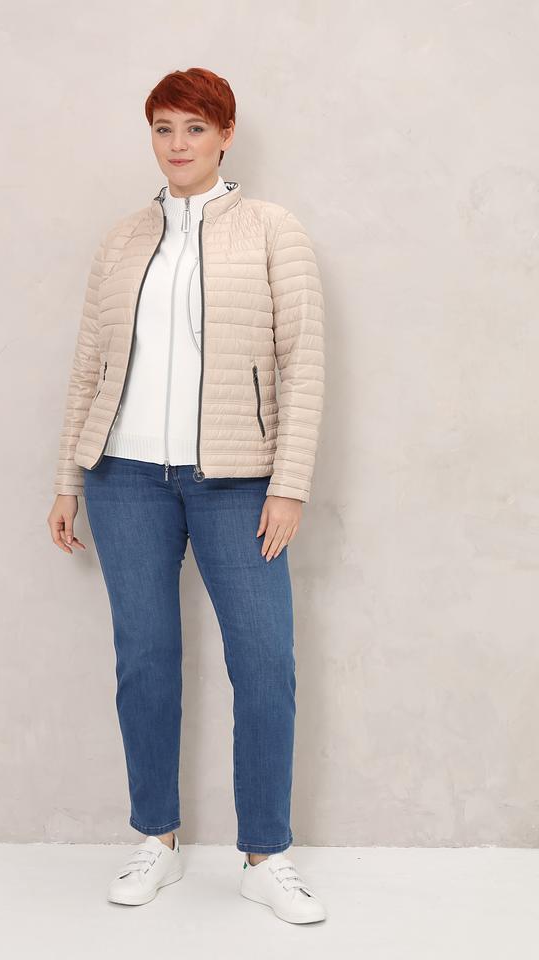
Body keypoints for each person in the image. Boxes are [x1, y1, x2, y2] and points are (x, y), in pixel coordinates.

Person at [47, 67, 326, 925]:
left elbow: (303, 362)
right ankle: (156, 840)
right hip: (124, 478)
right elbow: (89, 366)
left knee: (265, 663)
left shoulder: (273, 231)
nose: (178, 144)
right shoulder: (123, 239)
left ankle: (265, 856)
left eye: (196, 128)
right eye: (164, 128)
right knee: (145, 661)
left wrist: (289, 485)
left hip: (238, 482)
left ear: (226, 135)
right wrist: (68, 479)